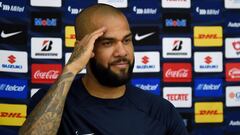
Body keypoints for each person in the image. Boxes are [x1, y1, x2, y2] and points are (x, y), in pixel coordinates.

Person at [19, 4, 188, 135]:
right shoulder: (52, 101)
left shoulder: (160, 111)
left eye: (127, 40)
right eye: (107, 43)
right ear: (84, 49)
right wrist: (70, 68)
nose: (122, 52)